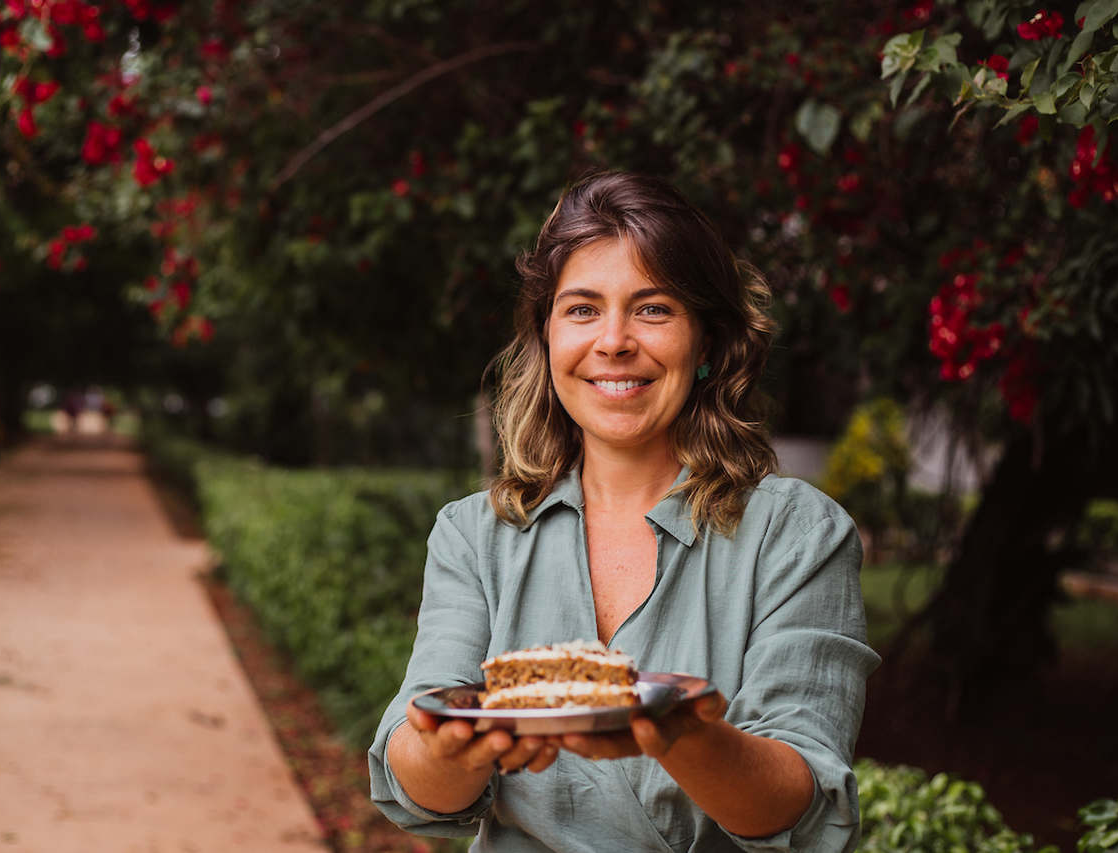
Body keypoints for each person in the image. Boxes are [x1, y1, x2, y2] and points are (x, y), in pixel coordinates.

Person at [368, 171, 879, 852]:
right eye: (581, 309)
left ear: (709, 344)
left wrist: (680, 732)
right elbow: (415, 774)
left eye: (653, 308)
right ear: (547, 338)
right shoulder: (474, 535)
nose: (613, 340)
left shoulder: (796, 536)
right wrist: (456, 746)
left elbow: (802, 801)